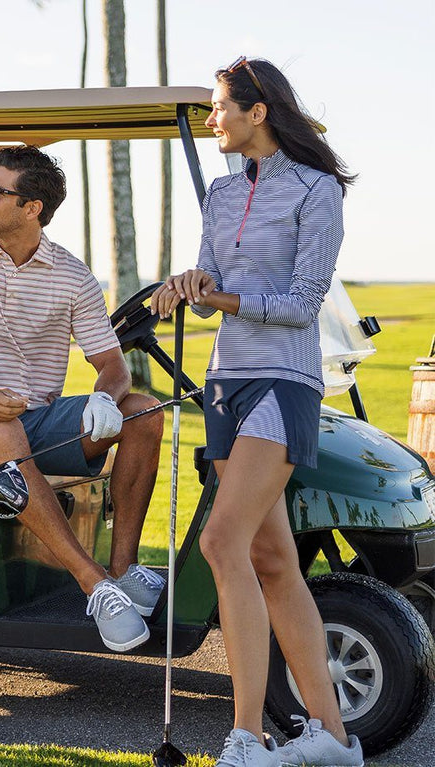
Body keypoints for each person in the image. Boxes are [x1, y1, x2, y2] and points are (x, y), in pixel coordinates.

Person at [151, 57, 362, 767]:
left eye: (218, 107)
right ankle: (332, 739)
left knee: (219, 543)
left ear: (258, 111)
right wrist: (189, 283)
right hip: (225, 381)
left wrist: (226, 301)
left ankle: (248, 737)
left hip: (284, 381)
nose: (212, 118)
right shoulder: (218, 191)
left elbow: (305, 303)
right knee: (271, 558)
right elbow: (212, 273)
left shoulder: (316, 189)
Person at [0, 145, 165, 653]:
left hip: (37, 419)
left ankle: (122, 569)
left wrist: (104, 398)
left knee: (142, 413)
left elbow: (113, 365)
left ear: (31, 208)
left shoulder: (72, 275)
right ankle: (94, 584)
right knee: (3, 429)